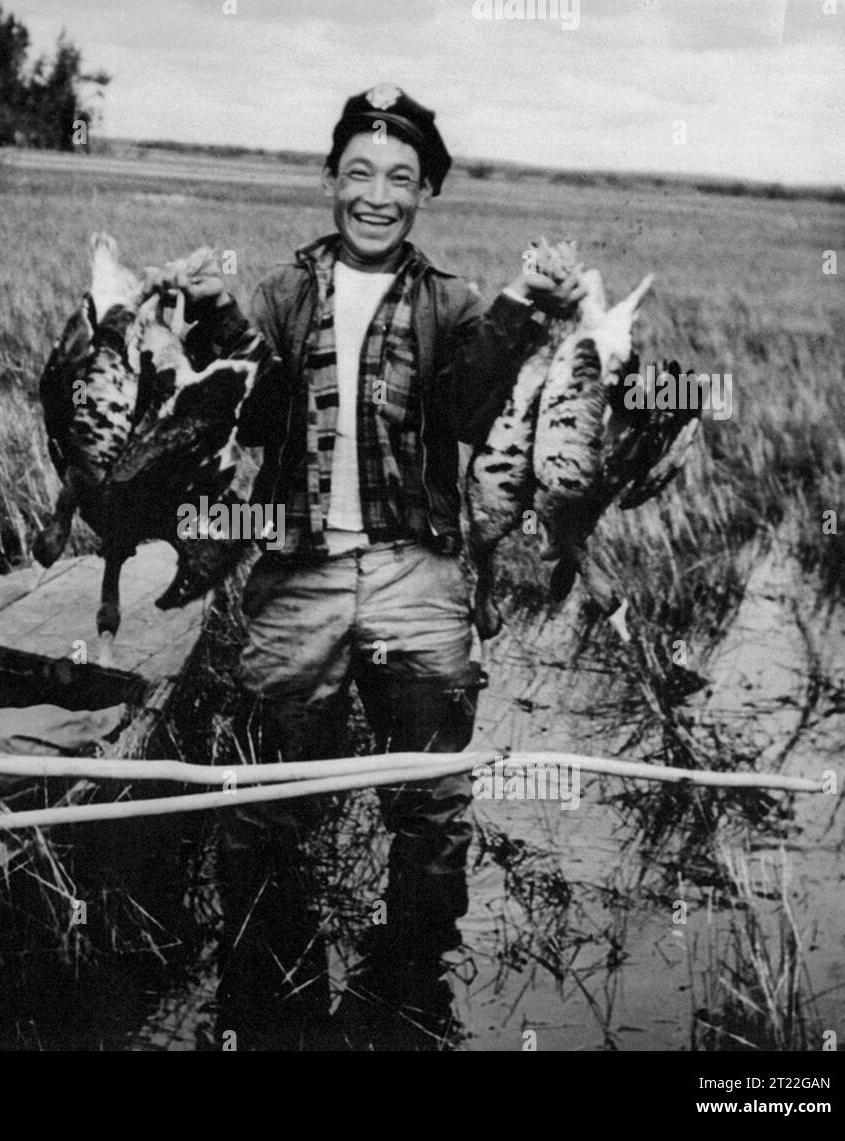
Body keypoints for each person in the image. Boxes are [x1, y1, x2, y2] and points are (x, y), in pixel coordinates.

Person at [151, 85, 585, 1050]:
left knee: (429, 795)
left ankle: (412, 981)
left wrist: (526, 312)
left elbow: (477, 415)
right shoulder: (280, 292)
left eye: (398, 176)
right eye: (357, 172)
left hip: (416, 571)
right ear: (330, 179)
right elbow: (251, 409)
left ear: (425, 188)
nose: (375, 194)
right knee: (265, 789)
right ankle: (264, 979)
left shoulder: (453, 303)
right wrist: (212, 315)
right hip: (297, 571)